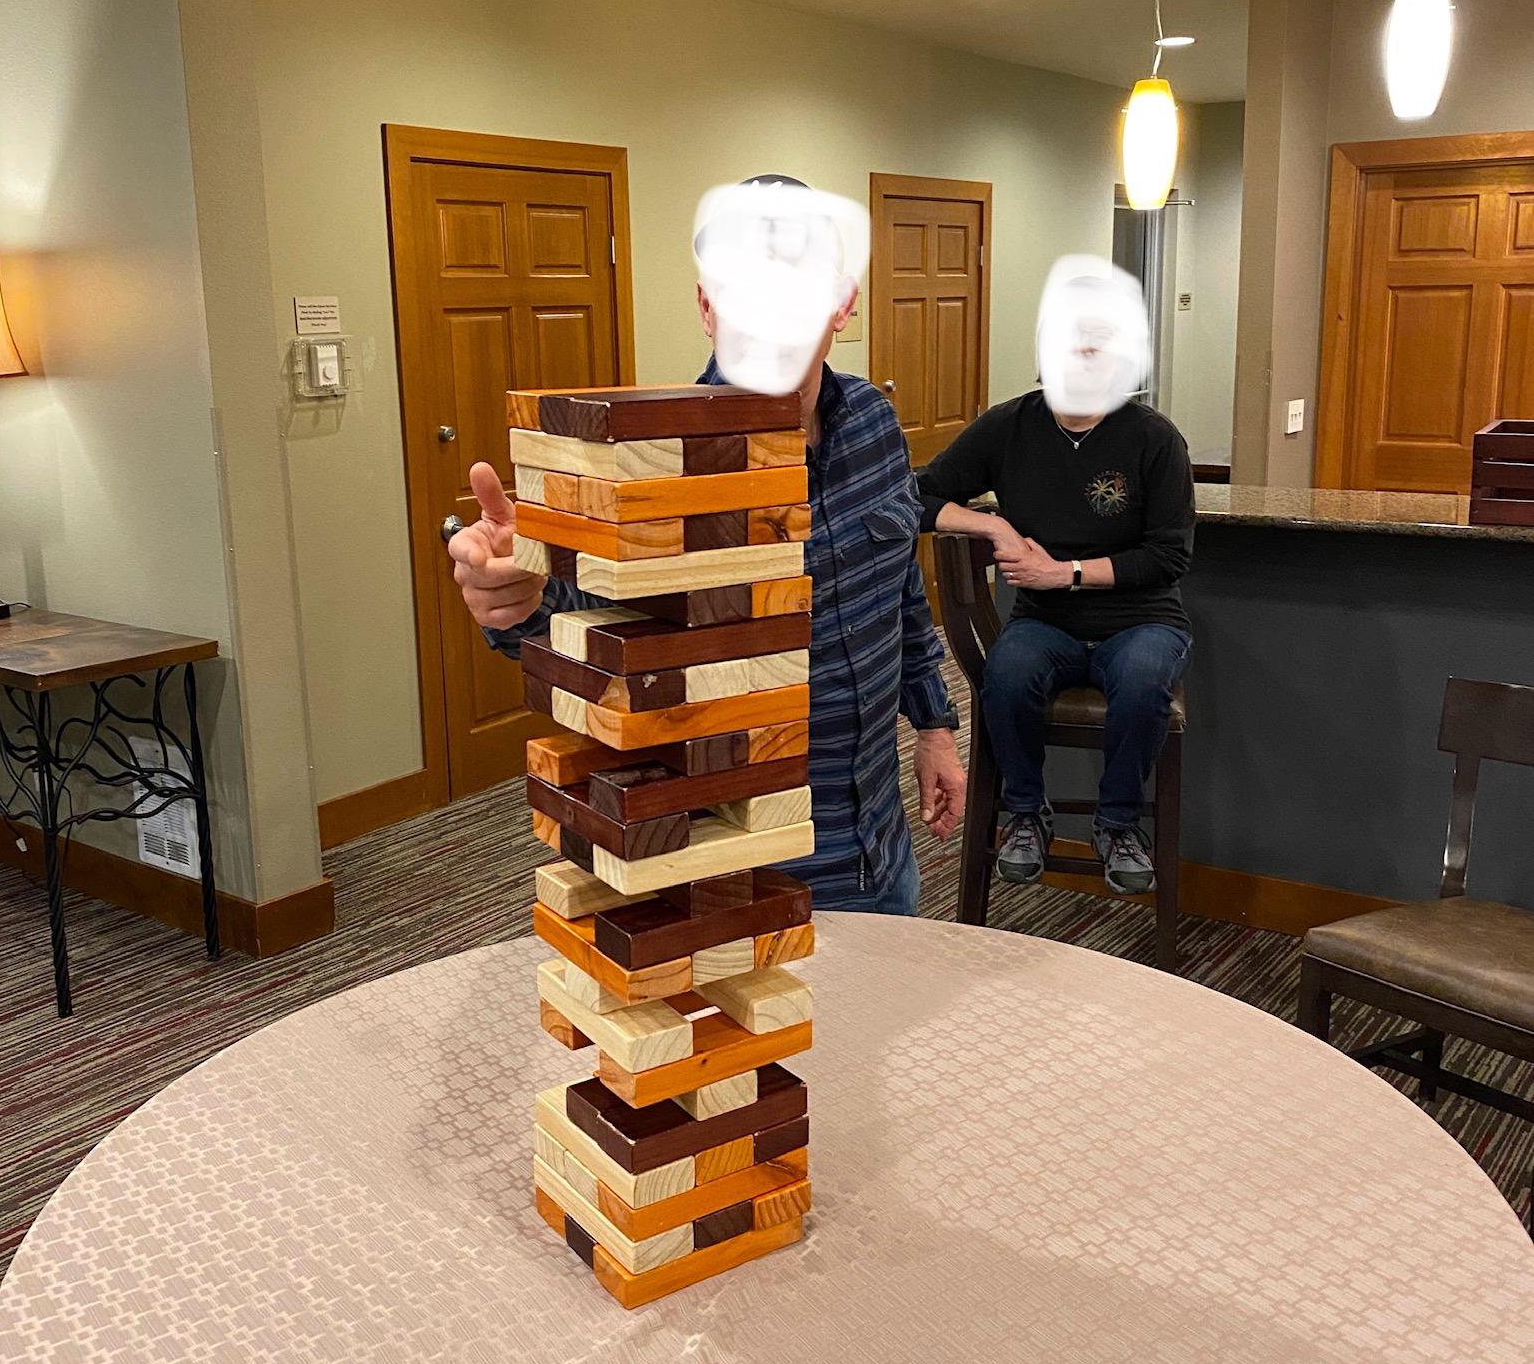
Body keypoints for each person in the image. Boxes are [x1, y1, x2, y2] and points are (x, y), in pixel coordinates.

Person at [448, 173, 967, 914]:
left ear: (842, 301)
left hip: (878, 841)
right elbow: (574, 625)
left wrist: (937, 728)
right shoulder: (646, 468)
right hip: (728, 865)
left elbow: (901, 596)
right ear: (706, 305)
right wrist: (518, 599)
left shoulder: (876, 429)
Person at [915, 255, 1193, 896]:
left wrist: (1063, 572)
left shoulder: (1154, 439)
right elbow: (921, 495)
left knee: (1146, 680)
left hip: (1143, 620)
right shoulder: (1010, 427)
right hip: (1044, 625)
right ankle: (1024, 814)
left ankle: (1118, 823)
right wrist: (993, 527)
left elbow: (1168, 557)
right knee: (1004, 678)